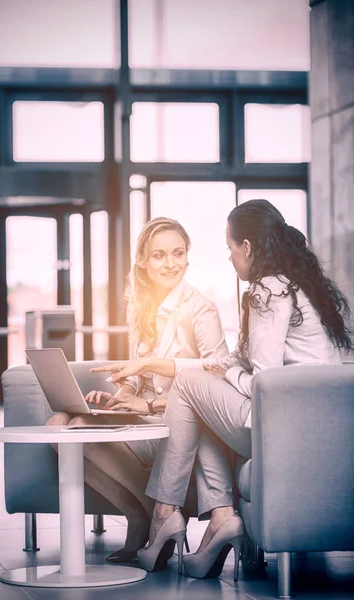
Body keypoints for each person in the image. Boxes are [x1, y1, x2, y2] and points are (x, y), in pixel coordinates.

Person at [96, 199, 353, 578]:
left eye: (231, 248)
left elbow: (263, 381)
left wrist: (228, 376)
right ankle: (220, 517)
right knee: (197, 396)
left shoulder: (267, 291)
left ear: (246, 247)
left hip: (282, 430)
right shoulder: (298, 286)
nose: (230, 259)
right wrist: (212, 369)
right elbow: (236, 363)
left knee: (190, 389)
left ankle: (165, 515)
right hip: (315, 430)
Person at [46, 216, 229, 565]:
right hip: (145, 416)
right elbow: (140, 370)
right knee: (58, 424)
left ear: (188, 257)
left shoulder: (200, 309)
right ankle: (141, 513)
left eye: (178, 253)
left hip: (177, 425)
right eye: (159, 256)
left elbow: (217, 381)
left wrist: (150, 404)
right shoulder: (141, 307)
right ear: (143, 261)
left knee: (79, 430)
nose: (170, 263)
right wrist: (124, 392)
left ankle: (147, 519)